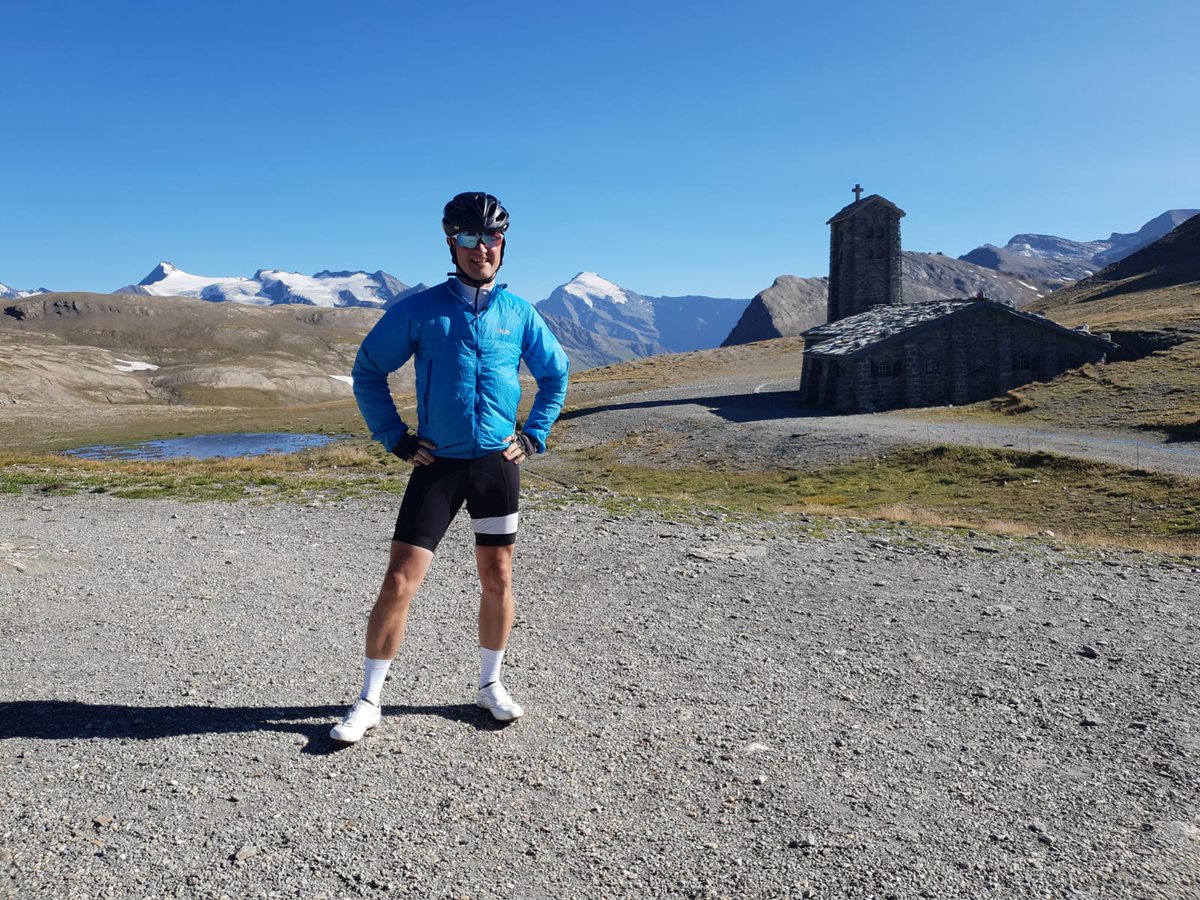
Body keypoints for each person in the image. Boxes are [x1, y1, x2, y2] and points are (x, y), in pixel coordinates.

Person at [330, 192, 569, 743]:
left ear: (502, 245)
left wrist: (533, 435)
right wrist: (393, 436)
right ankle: (368, 700)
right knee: (398, 581)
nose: (480, 248)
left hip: (495, 464)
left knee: (498, 576)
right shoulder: (421, 309)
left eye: (490, 238)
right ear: (451, 243)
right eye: (468, 238)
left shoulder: (519, 313)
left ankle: (490, 686)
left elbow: (555, 376)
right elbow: (368, 370)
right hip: (437, 463)